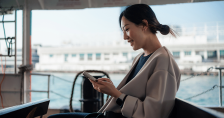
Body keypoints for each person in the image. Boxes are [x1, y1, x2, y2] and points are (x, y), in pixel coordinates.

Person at [48, 4, 180, 118]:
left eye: (127, 29)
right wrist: (111, 89)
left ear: (144, 25)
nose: (124, 37)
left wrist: (115, 93)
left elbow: (152, 115)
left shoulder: (162, 61)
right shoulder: (141, 57)